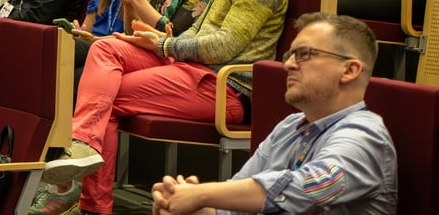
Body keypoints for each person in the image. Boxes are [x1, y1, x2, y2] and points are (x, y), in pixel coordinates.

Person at [41, 0, 288, 215]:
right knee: (107, 48)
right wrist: (151, 41)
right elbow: (199, 34)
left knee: (106, 97)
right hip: (193, 70)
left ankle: (92, 202)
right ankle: (83, 146)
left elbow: (225, 45)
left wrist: (164, 44)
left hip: (224, 88)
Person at [30, 0, 220, 215]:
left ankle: (81, 175)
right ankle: (81, 179)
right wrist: (130, 2)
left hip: (180, 64)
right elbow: (137, 28)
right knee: (94, 72)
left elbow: (178, 37)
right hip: (149, 54)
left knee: (98, 83)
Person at [151, 12, 397, 215]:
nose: (288, 64)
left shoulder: (364, 135)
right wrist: (185, 206)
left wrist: (201, 194)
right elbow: (234, 209)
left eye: (304, 55)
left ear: (349, 70)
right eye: (290, 55)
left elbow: (306, 188)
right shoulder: (290, 126)